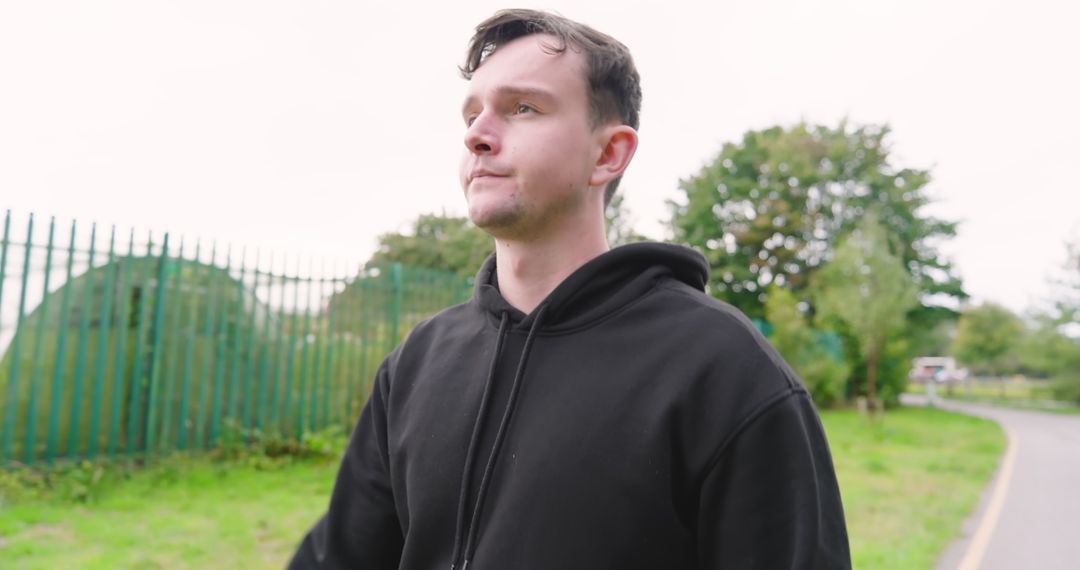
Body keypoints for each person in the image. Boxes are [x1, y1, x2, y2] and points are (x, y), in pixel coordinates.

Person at [289, 9, 850, 569]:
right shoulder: (417, 364)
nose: (478, 135)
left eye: (522, 108)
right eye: (472, 114)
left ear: (608, 153)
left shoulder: (723, 369)